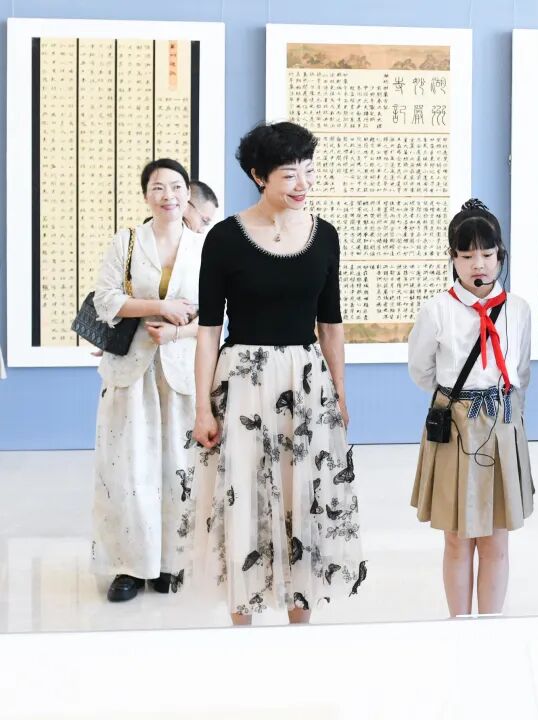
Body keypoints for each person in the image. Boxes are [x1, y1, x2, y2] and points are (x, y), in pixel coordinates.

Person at [191, 121, 366, 625]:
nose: (302, 184)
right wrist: (202, 406)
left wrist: (339, 392)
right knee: (242, 497)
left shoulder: (324, 236)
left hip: (306, 381)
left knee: (304, 497)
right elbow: (208, 330)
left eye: (308, 171)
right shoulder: (225, 238)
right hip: (244, 380)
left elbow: (330, 325)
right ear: (258, 176)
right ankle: (243, 628)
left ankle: (299, 629)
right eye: (289, 174)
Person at [408, 199, 533, 618]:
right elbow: (421, 371)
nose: (477, 264)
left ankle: (491, 626)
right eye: (466, 255)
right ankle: (459, 625)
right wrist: (459, 401)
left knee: (496, 539)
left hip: (501, 424)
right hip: (455, 425)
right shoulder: (437, 310)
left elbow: (521, 372)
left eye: (487, 253)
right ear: (453, 258)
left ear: (500, 255)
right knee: (457, 539)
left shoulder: (518, 309)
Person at [90, 158, 203, 602]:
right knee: (128, 467)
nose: (167, 195)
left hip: (183, 368)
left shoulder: (204, 247)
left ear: (188, 193)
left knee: (180, 465)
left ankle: (173, 562)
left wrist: (176, 331)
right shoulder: (127, 241)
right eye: (158, 187)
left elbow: (219, 317)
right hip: (130, 369)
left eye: (176, 186)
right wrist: (159, 308)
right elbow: (105, 300)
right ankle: (129, 567)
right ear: (145, 196)